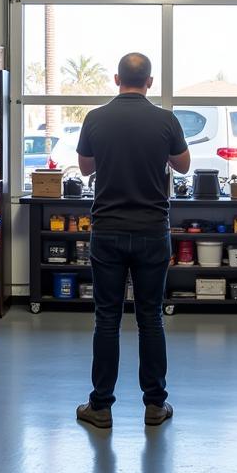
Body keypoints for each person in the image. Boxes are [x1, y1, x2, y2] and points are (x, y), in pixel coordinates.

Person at [74, 52, 191, 429]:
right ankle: (155, 406)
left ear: (115, 79)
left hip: (107, 230)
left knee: (106, 319)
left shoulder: (95, 118)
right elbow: (184, 164)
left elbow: (86, 167)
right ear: (150, 83)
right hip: (152, 231)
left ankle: (101, 407)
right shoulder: (165, 119)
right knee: (151, 319)